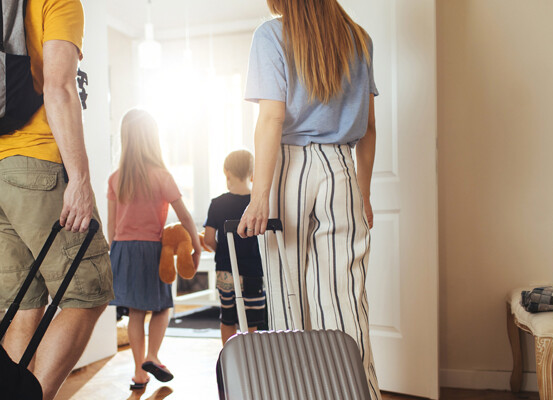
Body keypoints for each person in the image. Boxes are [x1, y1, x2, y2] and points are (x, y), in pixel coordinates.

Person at [237, 0, 381, 398]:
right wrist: (363, 193)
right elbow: (368, 127)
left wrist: (260, 196)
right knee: (345, 301)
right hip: (341, 168)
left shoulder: (271, 35)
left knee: (289, 301)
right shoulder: (360, 38)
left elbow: (271, 118)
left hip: (288, 169)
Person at [0, 1, 113, 399]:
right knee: (88, 291)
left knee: (22, 305)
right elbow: (60, 87)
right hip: (37, 164)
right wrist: (80, 178)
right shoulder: (59, 2)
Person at [107, 109, 202, 391]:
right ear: (152, 139)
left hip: (123, 251)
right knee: (163, 307)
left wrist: (113, 259)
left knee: (136, 312)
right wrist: (196, 243)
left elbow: (111, 228)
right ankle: (153, 356)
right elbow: (184, 216)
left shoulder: (115, 179)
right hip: (152, 250)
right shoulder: (161, 176)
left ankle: (139, 374)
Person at [203, 150, 267, 344]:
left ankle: (229, 357)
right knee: (252, 321)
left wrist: (221, 251)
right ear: (253, 174)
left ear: (226, 172)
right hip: (252, 271)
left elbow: (207, 238)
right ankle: (251, 357)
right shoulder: (256, 205)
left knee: (227, 317)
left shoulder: (217, 204)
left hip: (226, 270)